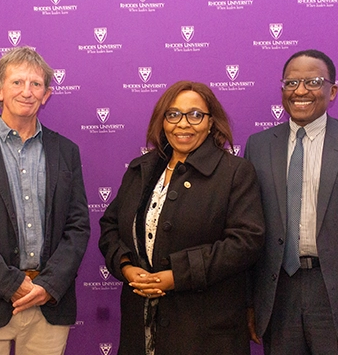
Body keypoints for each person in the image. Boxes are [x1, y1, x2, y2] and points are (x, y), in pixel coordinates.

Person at [245, 49, 338, 355]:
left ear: (333, 91)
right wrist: (249, 303)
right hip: (278, 295)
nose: (300, 91)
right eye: (291, 83)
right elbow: (249, 231)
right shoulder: (258, 146)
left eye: (313, 81)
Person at [0, 46, 90, 355]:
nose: (27, 91)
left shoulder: (66, 151)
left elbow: (77, 227)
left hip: (49, 304)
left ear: (46, 94)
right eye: (17, 82)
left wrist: (48, 285)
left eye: (36, 84)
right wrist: (12, 284)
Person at [99, 81, 265, 355]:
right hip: (139, 325)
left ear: (211, 123)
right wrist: (126, 266)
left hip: (205, 331)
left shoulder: (235, 172)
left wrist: (177, 275)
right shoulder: (140, 169)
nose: (183, 124)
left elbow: (246, 242)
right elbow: (110, 226)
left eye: (195, 115)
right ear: (162, 121)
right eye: (173, 114)